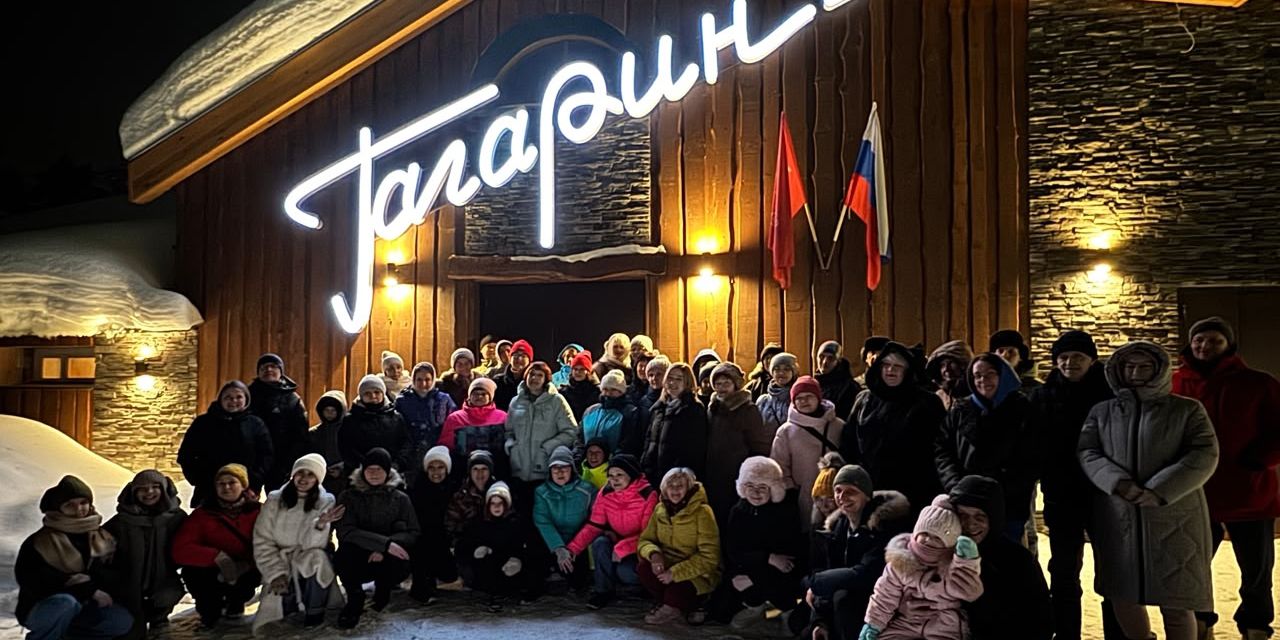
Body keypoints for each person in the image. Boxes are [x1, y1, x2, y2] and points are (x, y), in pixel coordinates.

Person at [1078, 340, 1219, 640]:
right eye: (1129, 366)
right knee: (1122, 594)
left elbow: (1204, 453)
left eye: (1144, 366)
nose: (1135, 372)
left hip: (1175, 516)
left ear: (1159, 369)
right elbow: (1088, 451)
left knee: (1176, 600)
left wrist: (1158, 489)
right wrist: (1118, 482)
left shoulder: (1187, 409)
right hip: (1119, 513)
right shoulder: (1102, 412)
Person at [1173, 317, 1280, 640]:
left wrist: (1260, 459)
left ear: (1228, 345)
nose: (1204, 346)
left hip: (1249, 491)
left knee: (1256, 568)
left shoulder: (1258, 383)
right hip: (1196, 491)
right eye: (1199, 340)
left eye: (1214, 340)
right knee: (1193, 565)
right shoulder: (1175, 383)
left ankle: (1256, 625)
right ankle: (1200, 621)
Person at [1028, 330, 1116, 640]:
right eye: (1063, 357)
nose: (1069, 363)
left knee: (1112, 570)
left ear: (1092, 359)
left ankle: (1117, 633)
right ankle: (1067, 634)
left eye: (1077, 357)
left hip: (1104, 493)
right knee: (1064, 570)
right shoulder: (1041, 395)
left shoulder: (1110, 395)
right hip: (1060, 493)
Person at [797, 465, 911, 640]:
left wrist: (816, 582)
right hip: (841, 606)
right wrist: (820, 621)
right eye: (838, 491)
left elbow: (865, 574)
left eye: (850, 491)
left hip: (879, 606)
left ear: (866, 495)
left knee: (843, 598)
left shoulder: (883, 526)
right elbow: (830, 570)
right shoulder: (839, 526)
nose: (842, 497)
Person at [934, 354, 1037, 545]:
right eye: (977, 376)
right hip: (965, 500)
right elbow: (943, 450)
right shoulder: (961, 409)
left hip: (1009, 502)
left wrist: (999, 492)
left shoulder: (1022, 408)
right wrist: (955, 485)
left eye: (990, 374)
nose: (983, 380)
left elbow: (1031, 456)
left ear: (1002, 375)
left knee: (1006, 552)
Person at [16, 476, 133, 640]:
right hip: (45, 607)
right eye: (70, 505)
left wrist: (95, 586)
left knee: (120, 620)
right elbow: (34, 580)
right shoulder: (40, 542)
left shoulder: (102, 537)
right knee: (65, 603)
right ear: (59, 509)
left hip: (87, 604)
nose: (79, 509)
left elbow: (113, 572)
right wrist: (85, 588)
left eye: (83, 503)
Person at [842, 341, 946, 516]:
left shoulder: (927, 403)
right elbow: (848, 442)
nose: (891, 370)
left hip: (913, 491)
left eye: (898, 366)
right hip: (868, 489)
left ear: (908, 371)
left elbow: (938, 448)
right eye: (886, 365)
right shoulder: (864, 400)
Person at [859, 495, 983, 640]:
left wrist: (966, 560)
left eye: (937, 538)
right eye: (924, 533)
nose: (928, 539)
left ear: (949, 544)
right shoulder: (900, 563)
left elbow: (964, 582)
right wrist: (873, 624)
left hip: (944, 623)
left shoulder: (950, 566)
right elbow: (884, 595)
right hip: (906, 622)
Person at [947, 475, 1051, 640]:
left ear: (993, 518)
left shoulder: (1018, 561)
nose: (970, 524)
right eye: (962, 515)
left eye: (980, 516)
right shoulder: (940, 553)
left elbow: (1040, 623)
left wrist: (982, 602)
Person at [252, 454, 345, 630]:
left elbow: (314, 546)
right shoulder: (274, 500)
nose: (304, 479)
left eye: (310, 474)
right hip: (280, 557)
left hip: (307, 556)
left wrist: (320, 524)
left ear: (317, 478)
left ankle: (315, 609)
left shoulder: (325, 501)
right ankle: (289, 605)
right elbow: (262, 540)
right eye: (300, 473)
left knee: (318, 558)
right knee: (282, 602)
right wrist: (275, 572)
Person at [334, 448, 420, 628]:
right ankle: (355, 598)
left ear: (387, 472)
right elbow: (346, 531)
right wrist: (384, 544)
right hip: (359, 554)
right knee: (343, 554)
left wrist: (386, 548)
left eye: (379, 469)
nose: (374, 473)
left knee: (401, 555)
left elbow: (412, 531)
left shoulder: (401, 499)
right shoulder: (348, 496)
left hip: (389, 556)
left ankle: (384, 590)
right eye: (369, 469)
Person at [714, 456, 803, 629]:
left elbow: (787, 558)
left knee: (783, 580)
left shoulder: (785, 513)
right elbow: (733, 550)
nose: (755, 493)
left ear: (773, 489)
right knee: (721, 609)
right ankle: (755, 605)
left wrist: (757, 575)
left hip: (779, 571)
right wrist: (766, 558)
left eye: (762, 487)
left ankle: (786, 610)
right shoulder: (738, 511)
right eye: (750, 486)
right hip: (750, 566)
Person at [171, 464, 262, 628]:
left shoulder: (258, 512)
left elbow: (269, 542)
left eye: (232, 482)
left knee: (246, 583)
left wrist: (248, 563)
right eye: (221, 483)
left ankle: (236, 603)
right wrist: (217, 557)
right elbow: (181, 549)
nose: (226, 487)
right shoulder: (202, 514)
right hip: (210, 570)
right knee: (196, 577)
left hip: (247, 568)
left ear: (243, 485)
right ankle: (210, 612)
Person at [102, 470, 186, 639]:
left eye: (155, 487)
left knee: (167, 596)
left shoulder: (177, 518)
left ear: (164, 489)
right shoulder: (120, 522)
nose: (149, 492)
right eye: (142, 488)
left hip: (164, 582)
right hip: (128, 586)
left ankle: (159, 618)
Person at [566, 454, 658, 609]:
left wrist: (623, 547)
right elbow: (594, 525)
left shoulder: (648, 494)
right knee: (600, 543)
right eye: (610, 475)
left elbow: (648, 534)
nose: (614, 480)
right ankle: (603, 592)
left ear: (631, 475)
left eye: (619, 475)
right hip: (616, 542)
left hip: (640, 547)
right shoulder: (606, 492)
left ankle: (645, 588)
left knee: (626, 573)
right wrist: (573, 548)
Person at [636, 468, 721, 626]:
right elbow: (645, 540)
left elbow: (710, 557)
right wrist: (654, 554)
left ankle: (683, 605)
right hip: (667, 565)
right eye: (671, 486)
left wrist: (675, 573)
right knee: (644, 569)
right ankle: (672, 603)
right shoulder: (660, 509)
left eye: (680, 486)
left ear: (688, 488)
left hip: (695, 573)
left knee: (677, 591)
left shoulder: (703, 512)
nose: (675, 490)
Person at [177, 380, 273, 505]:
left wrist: (254, 482)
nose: (233, 401)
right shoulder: (203, 423)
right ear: (220, 399)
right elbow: (186, 455)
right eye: (228, 397)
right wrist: (199, 479)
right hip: (208, 489)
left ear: (246, 399)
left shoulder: (255, 424)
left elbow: (266, 455)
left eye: (239, 397)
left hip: (246, 489)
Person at [505, 361, 579, 513]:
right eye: (532, 374)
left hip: (544, 469)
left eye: (540, 375)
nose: (535, 378)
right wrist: (511, 444)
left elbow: (571, 431)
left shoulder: (556, 401)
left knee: (542, 513)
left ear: (546, 379)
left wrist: (548, 448)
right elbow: (508, 430)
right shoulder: (516, 401)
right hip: (518, 469)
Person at [771, 376, 844, 529]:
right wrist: (791, 491)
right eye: (799, 398)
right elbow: (779, 467)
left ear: (818, 398)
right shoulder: (786, 431)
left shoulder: (838, 426)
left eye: (809, 396)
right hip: (803, 497)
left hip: (838, 495)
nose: (804, 401)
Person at [704, 362, 773, 521]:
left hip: (737, 473)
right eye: (718, 384)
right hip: (713, 474)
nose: (722, 388)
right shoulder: (713, 408)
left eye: (726, 383)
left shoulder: (748, 409)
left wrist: (752, 474)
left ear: (735, 385)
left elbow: (758, 445)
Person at [530, 446, 595, 598]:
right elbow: (543, 521)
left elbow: (593, 521)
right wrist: (558, 548)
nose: (559, 472)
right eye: (555, 468)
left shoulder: (588, 490)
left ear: (572, 469)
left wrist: (574, 547)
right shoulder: (541, 492)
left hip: (577, 541)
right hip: (551, 541)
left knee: (578, 578)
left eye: (564, 467)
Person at [455, 481, 530, 611]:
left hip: (509, 568)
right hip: (485, 570)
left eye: (500, 503)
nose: (497, 507)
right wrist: (475, 551)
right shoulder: (479, 523)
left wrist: (517, 559)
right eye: (493, 503)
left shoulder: (515, 523)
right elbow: (463, 546)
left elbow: (522, 545)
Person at [248, 353, 312, 492]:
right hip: (252, 460)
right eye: (264, 367)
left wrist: (289, 463)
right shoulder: (247, 396)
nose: (269, 370)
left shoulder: (293, 399)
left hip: (281, 461)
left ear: (281, 371)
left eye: (273, 366)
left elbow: (300, 434)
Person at [642, 362, 709, 483]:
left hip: (677, 477)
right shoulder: (659, 407)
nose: (673, 383)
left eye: (679, 379)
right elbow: (649, 439)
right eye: (670, 378)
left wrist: (680, 474)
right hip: (653, 473)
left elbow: (695, 448)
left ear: (687, 383)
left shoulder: (694, 408)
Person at [408, 446, 458, 604]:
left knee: (450, 574)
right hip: (420, 539)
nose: (436, 472)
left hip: (445, 540)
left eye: (440, 467)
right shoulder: (417, 490)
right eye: (432, 467)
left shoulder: (454, 489)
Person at [338, 374, 413, 474]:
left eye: (377, 392)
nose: (373, 396)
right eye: (367, 393)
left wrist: (397, 465)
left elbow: (406, 443)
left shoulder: (396, 417)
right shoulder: (350, 420)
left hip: (393, 473)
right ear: (361, 396)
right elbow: (346, 448)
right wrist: (366, 467)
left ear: (383, 393)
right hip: (359, 474)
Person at [396, 362, 457, 483]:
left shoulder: (444, 400)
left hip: (438, 452)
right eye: (419, 379)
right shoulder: (402, 401)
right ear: (413, 379)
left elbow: (453, 424)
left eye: (427, 379)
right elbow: (397, 428)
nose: (423, 384)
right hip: (411, 453)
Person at [438, 377, 509, 477]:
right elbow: (446, 445)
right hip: (462, 470)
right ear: (469, 396)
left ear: (490, 397)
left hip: (497, 469)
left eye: (483, 394)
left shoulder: (502, 417)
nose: (479, 397)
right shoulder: (455, 418)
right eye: (475, 394)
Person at [580, 370, 644, 458]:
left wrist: (613, 460)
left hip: (614, 462)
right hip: (587, 461)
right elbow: (580, 439)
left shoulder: (630, 412)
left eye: (613, 390)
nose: (608, 393)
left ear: (621, 392)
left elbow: (629, 443)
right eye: (605, 389)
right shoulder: (590, 411)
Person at [445, 450, 497, 538]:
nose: (479, 473)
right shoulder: (460, 497)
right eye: (475, 469)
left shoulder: (501, 494)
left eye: (484, 469)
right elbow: (450, 528)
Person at [308, 390, 349, 495]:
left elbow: (354, 454)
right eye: (326, 410)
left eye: (333, 410)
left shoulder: (350, 431)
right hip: (320, 479)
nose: (330, 413)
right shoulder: (313, 433)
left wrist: (342, 467)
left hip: (346, 479)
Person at [814, 340, 862, 420]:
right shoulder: (813, 384)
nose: (825, 362)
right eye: (821, 357)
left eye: (831, 358)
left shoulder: (850, 388)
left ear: (838, 361)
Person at [925, 340, 974, 411]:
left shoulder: (978, 391)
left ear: (963, 364)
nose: (946, 369)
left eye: (950, 363)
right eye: (942, 365)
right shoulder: (939, 396)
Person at [758, 352, 799, 433]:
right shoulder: (763, 401)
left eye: (786, 369)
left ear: (793, 372)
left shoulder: (799, 398)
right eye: (777, 369)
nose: (781, 373)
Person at [558, 351, 600, 422]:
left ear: (588, 372)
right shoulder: (564, 392)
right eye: (575, 369)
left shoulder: (596, 391)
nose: (578, 372)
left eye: (582, 369)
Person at [492, 339, 532, 410]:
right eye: (515, 355)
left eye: (523, 356)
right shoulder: (498, 381)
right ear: (510, 358)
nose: (519, 359)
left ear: (529, 360)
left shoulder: (533, 382)